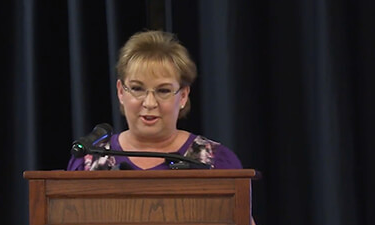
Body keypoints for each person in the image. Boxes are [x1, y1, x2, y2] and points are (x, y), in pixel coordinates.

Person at [67, 30, 243, 171]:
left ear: (183, 96)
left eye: (163, 90)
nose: (150, 103)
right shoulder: (90, 161)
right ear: (121, 92)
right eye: (137, 89)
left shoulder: (214, 161)